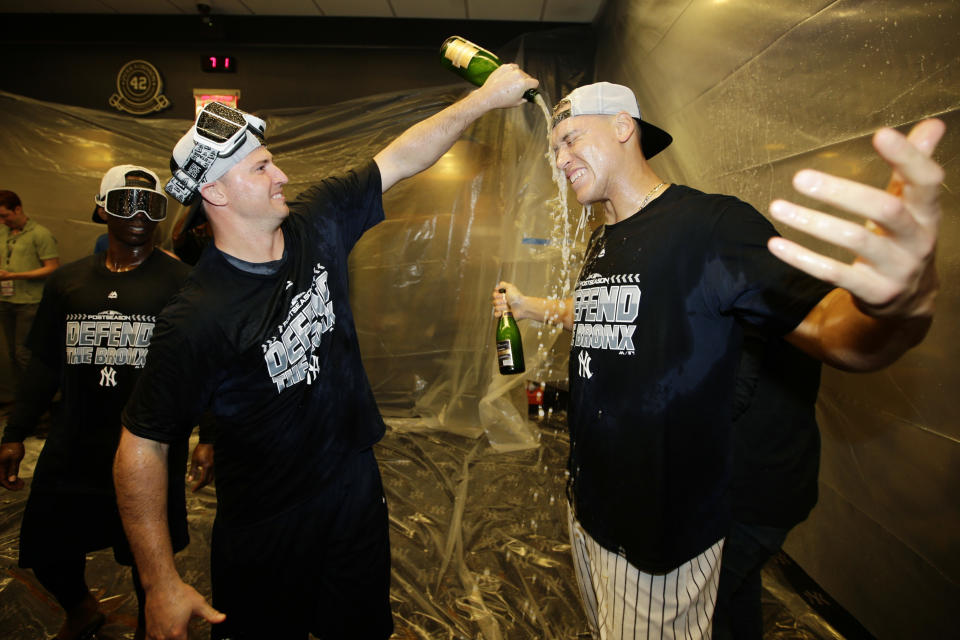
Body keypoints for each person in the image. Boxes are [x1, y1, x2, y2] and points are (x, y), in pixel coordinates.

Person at [491, 82, 945, 639]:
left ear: (623, 127)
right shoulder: (603, 240)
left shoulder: (713, 228)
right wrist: (533, 308)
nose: (560, 160)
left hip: (663, 529)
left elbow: (831, 328)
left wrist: (898, 308)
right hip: (593, 506)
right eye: (554, 150)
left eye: (571, 139)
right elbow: (613, 314)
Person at [113, 64, 539, 640]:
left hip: (352, 484)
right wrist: (159, 582)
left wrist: (484, 100)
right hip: (267, 520)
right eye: (261, 167)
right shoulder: (197, 317)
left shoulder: (316, 221)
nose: (281, 175)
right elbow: (141, 447)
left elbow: (401, 156)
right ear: (214, 190)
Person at [0, 166, 214, 640]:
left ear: (160, 215)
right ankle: (81, 609)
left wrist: (211, 437)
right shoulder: (68, 284)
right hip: (72, 443)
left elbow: (206, 366)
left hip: (148, 449)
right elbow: (43, 366)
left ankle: (151, 625)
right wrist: (14, 433)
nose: (137, 212)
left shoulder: (185, 284)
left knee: (146, 561)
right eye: (123, 202)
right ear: (101, 208)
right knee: (48, 550)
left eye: (149, 204)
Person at [711, 331, 822, 640]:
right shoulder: (795, 295)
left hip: (754, 489)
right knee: (741, 589)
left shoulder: (760, 299)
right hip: (781, 481)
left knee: (708, 606)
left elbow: (732, 395)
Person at [0, 190, 59, 398]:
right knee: (12, 356)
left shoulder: (40, 234)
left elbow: (52, 268)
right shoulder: (3, 232)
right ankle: (21, 403)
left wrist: (14, 276)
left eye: (5, 215)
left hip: (29, 302)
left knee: (24, 354)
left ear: (18, 209)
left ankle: (41, 405)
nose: (2, 220)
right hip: (6, 300)